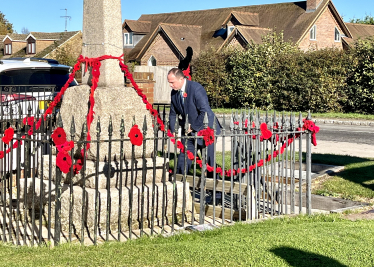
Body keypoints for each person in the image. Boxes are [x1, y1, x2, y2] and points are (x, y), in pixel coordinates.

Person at [167, 67, 222, 177]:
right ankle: (180, 186)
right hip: (189, 133)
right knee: (184, 158)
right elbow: (173, 113)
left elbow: (204, 111)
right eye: (169, 82)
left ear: (181, 79)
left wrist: (193, 127)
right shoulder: (174, 93)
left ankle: (216, 193)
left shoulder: (196, 88)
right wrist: (172, 130)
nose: (170, 85)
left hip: (206, 129)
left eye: (172, 82)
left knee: (208, 162)